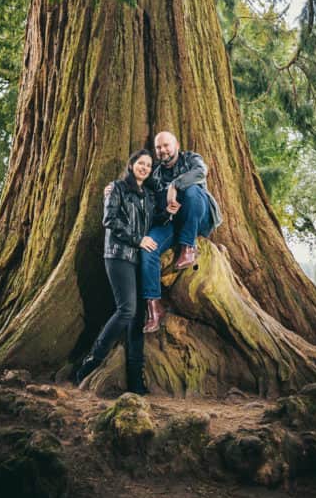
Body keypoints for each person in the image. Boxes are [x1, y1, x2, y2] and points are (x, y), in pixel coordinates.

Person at [75, 148, 156, 393]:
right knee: (127, 309)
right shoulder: (117, 188)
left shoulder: (150, 196)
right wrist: (138, 239)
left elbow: (155, 219)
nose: (144, 168)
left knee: (137, 318)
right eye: (140, 163)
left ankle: (135, 379)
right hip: (119, 255)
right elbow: (110, 220)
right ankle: (92, 360)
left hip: (141, 260)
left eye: (148, 165)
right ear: (131, 165)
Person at [142, 131, 223, 333]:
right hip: (171, 223)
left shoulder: (191, 159)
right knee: (147, 248)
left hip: (198, 218)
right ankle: (154, 307)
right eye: (159, 147)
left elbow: (201, 172)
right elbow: (147, 199)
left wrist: (175, 186)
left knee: (193, 191)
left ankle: (189, 248)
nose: (163, 150)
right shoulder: (155, 173)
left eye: (166, 145)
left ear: (176, 144)